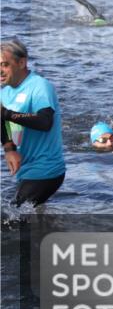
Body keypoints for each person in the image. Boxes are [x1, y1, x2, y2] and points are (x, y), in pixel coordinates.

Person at [1, 39, 65, 206]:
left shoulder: (39, 86)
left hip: (46, 170)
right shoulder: (5, 92)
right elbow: (2, 121)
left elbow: (45, 122)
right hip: (26, 170)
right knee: (26, 215)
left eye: (5, 65)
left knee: (10, 219)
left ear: (21, 62)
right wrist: (9, 148)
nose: (0, 71)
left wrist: (8, 113)